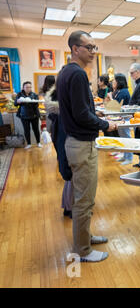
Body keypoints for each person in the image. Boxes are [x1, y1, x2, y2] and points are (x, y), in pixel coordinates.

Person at [57, 30, 118, 263]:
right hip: (82, 145)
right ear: (75, 49)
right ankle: (82, 250)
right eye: (89, 47)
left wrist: (96, 115)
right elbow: (82, 115)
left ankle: (86, 236)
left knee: (83, 197)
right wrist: (106, 124)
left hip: (75, 143)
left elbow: (78, 110)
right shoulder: (78, 74)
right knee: (84, 200)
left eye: (95, 48)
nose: (93, 52)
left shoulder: (66, 72)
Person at [44, 74, 73, 218]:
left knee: (69, 177)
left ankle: (68, 207)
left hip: (61, 139)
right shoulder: (65, 107)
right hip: (68, 143)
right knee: (72, 176)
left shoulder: (55, 101)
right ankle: (71, 208)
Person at [106, 73, 133, 165]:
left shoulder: (124, 91)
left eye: (114, 80)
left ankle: (129, 157)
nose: (113, 82)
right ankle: (125, 156)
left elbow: (117, 106)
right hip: (120, 118)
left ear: (119, 81)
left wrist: (110, 97)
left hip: (125, 118)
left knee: (126, 138)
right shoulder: (119, 91)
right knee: (123, 137)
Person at [14, 81, 41, 149]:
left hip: (34, 115)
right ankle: (29, 144)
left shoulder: (34, 94)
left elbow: (37, 104)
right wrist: (19, 101)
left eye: (30, 87)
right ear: (23, 87)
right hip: (24, 115)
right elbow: (15, 104)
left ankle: (38, 142)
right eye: (27, 87)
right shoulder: (19, 94)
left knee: (36, 129)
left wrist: (32, 102)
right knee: (26, 130)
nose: (29, 88)